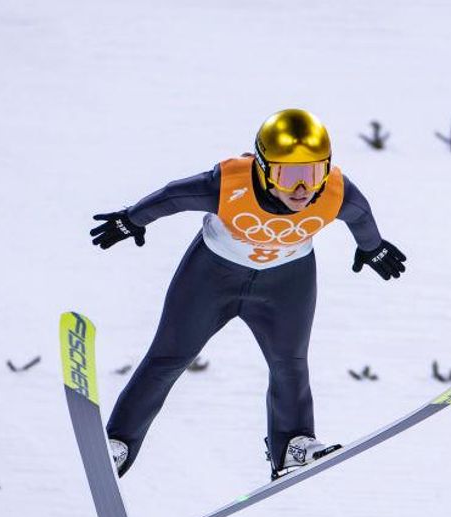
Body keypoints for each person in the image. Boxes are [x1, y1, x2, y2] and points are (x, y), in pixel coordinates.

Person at [89, 108, 407, 481]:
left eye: (314, 173)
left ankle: (292, 444)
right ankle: (118, 443)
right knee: (167, 359)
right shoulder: (228, 183)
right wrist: (133, 218)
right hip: (211, 278)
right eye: (290, 176)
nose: (303, 190)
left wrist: (371, 247)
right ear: (263, 166)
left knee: (290, 364)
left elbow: (359, 214)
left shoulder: (335, 192)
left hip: (287, 283)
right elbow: (174, 196)